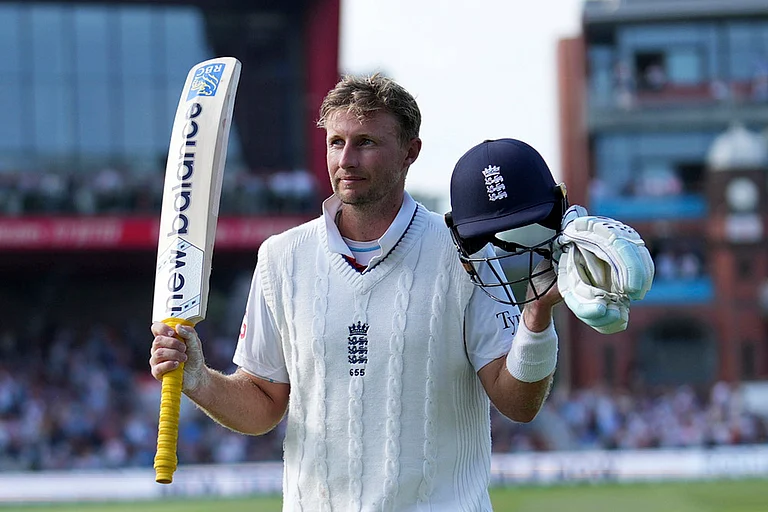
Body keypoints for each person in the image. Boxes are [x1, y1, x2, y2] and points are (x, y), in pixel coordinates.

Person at [150, 74, 564, 511]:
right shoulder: (281, 257)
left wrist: (536, 319)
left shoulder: (463, 252)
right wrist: (199, 379)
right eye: (336, 142)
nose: (346, 160)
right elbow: (263, 404)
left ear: (410, 152)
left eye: (365, 142)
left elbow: (518, 404)